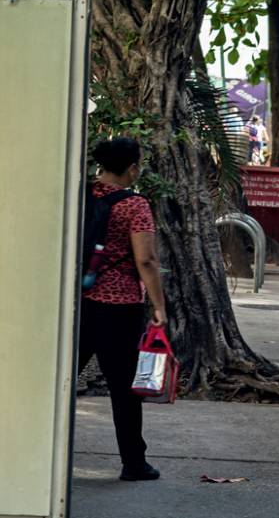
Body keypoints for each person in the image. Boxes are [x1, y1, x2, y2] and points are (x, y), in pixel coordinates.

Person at [80, 138, 168, 481]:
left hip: (78, 303)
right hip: (119, 308)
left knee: (61, 379)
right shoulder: (134, 205)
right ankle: (133, 462)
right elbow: (146, 259)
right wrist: (159, 307)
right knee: (123, 389)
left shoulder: (80, 194)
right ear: (132, 168)